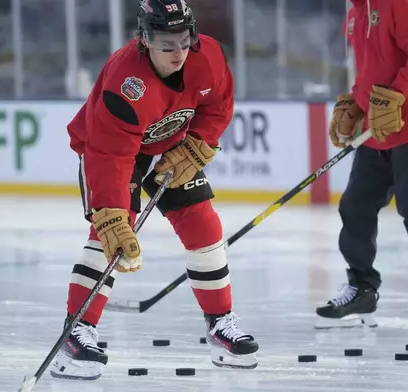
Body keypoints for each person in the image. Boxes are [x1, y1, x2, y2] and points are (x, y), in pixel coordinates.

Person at [49, 0, 258, 381]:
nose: (179, 52)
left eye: (184, 40)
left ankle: (221, 323)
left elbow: (218, 105)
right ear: (145, 40)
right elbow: (108, 152)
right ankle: (77, 331)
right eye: (167, 45)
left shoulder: (206, 55)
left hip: (170, 145)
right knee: (110, 235)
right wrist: (111, 210)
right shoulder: (124, 82)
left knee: (203, 227)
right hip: (113, 153)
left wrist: (199, 142)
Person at [316, 0, 408, 335]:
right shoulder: (354, 9)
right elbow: (368, 69)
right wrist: (356, 100)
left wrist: (399, 94)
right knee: (355, 205)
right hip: (376, 129)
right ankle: (363, 288)